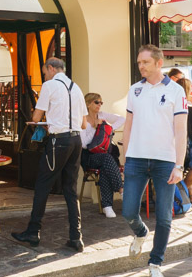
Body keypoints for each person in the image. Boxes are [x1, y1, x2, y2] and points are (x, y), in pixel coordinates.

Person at [120, 44, 188, 277]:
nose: (141, 66)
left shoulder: (176, 91)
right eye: (139, 62)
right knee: (128, 210)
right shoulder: (134, 90)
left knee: (163, 217)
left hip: (165, 161)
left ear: (159, 63)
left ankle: (155, 263)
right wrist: (124, 156)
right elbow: (128, 125)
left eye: (145, 62)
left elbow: (181, 131)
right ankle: (140, 232)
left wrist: (178, 165)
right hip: (136, 159)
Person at [12, 57, 88, 253]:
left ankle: (33, 231)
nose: (45, 75)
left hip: (58, 141)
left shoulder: (50, 85)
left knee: (43, 185)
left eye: (45, 71)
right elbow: (83, 124)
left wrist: (46, 120)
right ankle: (76, 237)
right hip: (76, 140)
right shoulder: (77, 87)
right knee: (70, 189)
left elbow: (36, 117)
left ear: (52, 69)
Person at [79, 92, 125, 218]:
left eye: (101, 102)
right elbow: (83, 144)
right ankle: (121, 190)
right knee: (107, 159)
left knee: (105, 166)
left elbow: (122, 119)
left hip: (104, 156)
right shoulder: (82, 119)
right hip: (88, 156)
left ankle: (107, 207)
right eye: (96, 102)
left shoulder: (102, 115)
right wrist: (95, 128)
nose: (100, 105)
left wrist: (108, 129)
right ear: (88, 104)